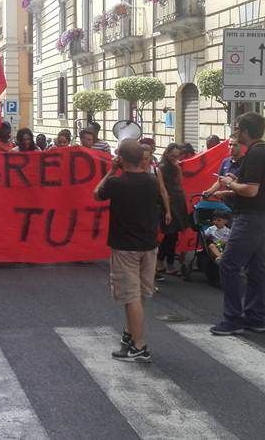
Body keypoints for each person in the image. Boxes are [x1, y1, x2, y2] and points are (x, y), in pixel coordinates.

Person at [94, 139, 162, 363]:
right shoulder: (151, 181)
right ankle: (130, 335)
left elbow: (97, 193)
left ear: (121, 158)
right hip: (148, 245)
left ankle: (140, 346)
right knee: (139, 295)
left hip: (126, 247)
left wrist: (112, 170)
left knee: (130, 296)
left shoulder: (116, 183)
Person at [209, 112, 265, 336]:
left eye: (237, 128)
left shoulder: (255, 155)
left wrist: (229, 183)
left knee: (229, 265)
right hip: (262, 215)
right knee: (256, 268)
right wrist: (230, 191)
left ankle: (233, 319)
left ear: (246, 131)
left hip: (250, 217)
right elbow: (254, 188)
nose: (235, 132)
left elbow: (251, 190)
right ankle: (256, 318)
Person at [157, 144, 186, 275]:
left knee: (173, 235)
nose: (175, 158)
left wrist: (178, 167)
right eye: (173, 155)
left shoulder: (174, 166)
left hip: (177, 201)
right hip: (169, 203)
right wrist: (167, 209)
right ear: (167, 153)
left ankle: (165, 263)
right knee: (170, 235)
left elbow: (179, 182)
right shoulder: (162, 167)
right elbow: (162, 188)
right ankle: (164, 262)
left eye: (177, 156)